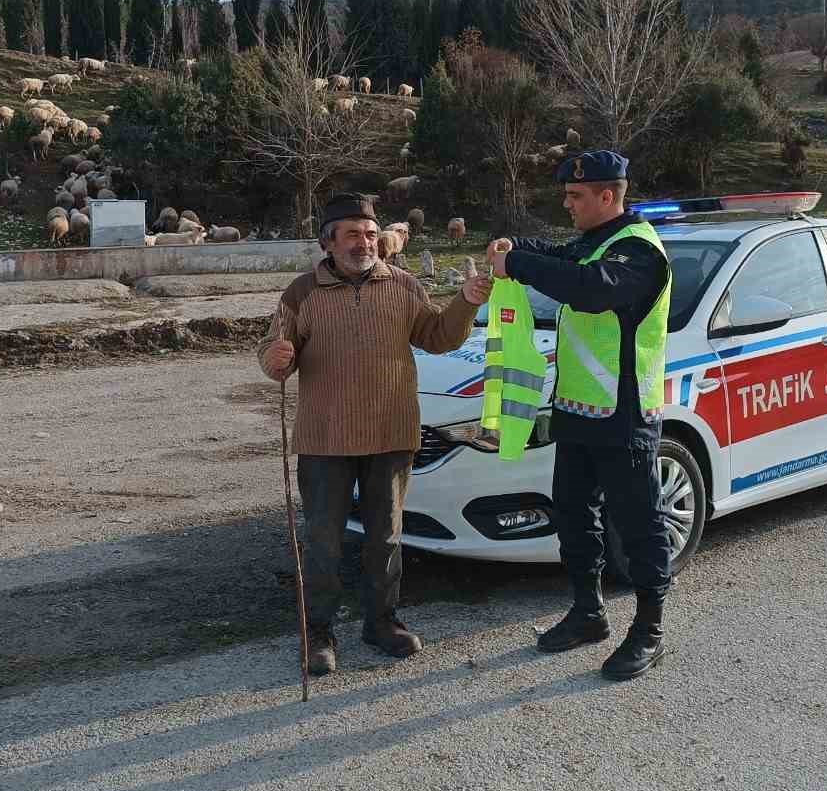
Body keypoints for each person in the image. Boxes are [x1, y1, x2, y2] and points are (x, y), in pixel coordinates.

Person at [258, 193, 492, 675]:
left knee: (385, 537)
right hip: (325, 439)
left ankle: (382, 623)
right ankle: (318, 631)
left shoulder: (403, 284)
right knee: (323, 541)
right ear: (329, 242)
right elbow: (275, 351)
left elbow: (438, 337)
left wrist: (465, 303)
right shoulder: (301, 292)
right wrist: (274, 361)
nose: (364, 243)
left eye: (369, 234)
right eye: (352, 235)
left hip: (391, 433)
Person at [486, 150, 674, 680]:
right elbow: (565, 258)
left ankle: (650, 628)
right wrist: (517, 246)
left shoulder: (640, 252)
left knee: (639, 523)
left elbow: (590, 291)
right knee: (574, 514)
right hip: (577, 410)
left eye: (575, 197)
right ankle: (588, 612)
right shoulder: (597, 242)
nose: (566, 205)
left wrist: (518, 264)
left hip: (625, 415)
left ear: (608, 197)